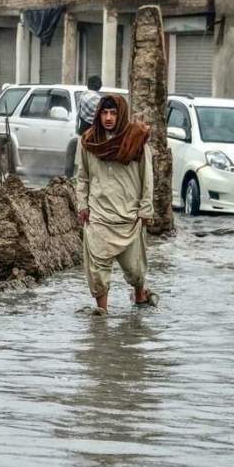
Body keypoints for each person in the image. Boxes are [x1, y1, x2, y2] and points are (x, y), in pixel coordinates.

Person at [75, 95, 157, 314]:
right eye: (104, 113)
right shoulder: (89, 142)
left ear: (121, 115)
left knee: (135, 270)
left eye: (113, 113)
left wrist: (145, 209)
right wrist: (82, 204)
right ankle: (102, 313)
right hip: (99, 217)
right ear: (98, 115)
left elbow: (146, 178)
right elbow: (82, 177)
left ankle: (140, 295)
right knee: (98, 271)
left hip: (128, 218)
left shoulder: (136, 140)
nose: (109, 118)